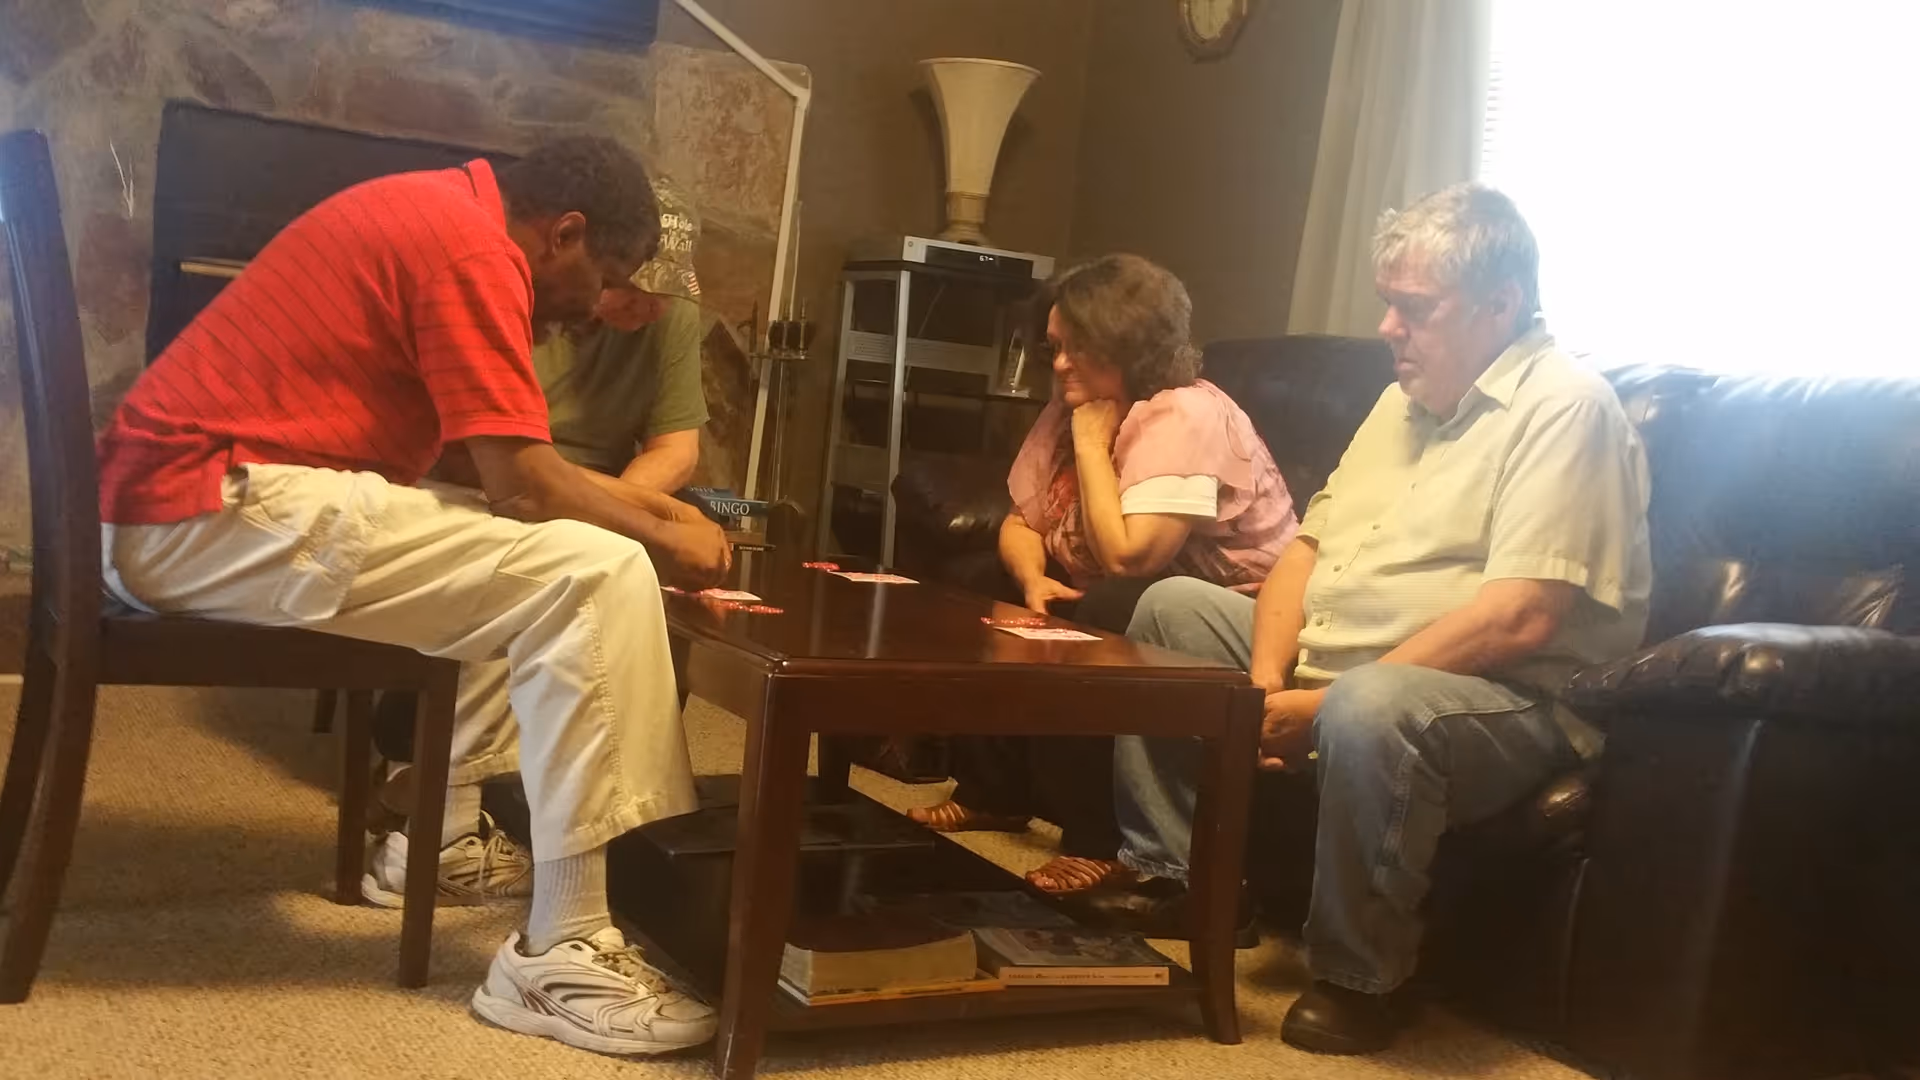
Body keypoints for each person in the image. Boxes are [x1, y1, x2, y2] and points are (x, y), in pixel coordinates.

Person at [95, 137, 732, 1057]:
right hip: (206, 508)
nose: (597, 306)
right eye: (606, 276)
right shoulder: (472, 251)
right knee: (595, 568)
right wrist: (668, 537)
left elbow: (480, 473)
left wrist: (647, 500)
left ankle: (435, 842)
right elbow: (524, 483)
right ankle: (561, 950)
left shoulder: (439, 213)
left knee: (515, 558)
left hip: (184, 510)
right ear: (566, 233)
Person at [1095, 184, 1651, 1055]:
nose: (1389, 328)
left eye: (1414, 308)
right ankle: (1181, 878)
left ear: (1500, 304)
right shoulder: (1403, 401)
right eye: (1389, 304)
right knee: (1172, 610)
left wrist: (1320, 706)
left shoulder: (1566, 407)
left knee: (1371, 705)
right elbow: (1305, 554)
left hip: (1502, 702)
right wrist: (1267, 685)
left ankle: (1361, 978)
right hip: (1346, 669)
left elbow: (1520, 618)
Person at [906, 254, 1298, 895]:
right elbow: (1019, 522)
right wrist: (1032, 581)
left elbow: (1130, 556)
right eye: (1055, 347)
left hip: (1224, 609)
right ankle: (993, 791)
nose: (1058, 365)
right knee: (995, 584)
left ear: (1130, 346)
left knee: (1108, 609)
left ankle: (1099, 840)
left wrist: (1092, 442)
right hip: (1127, 586)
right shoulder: (1073, 406)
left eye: (1076, 348)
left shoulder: (1186, 415)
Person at [360, 178, 712, 818]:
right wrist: (609, 513)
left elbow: (677, 449)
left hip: (585, 487)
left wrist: (615, 512)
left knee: (633, 575)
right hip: (490, 478)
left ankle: (574, 794)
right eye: (630, 286)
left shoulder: (673, 320)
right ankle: (437, 767)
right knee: (530, 554)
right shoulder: (520, 295)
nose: (651, 308)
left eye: (664, 292)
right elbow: (477, 456)